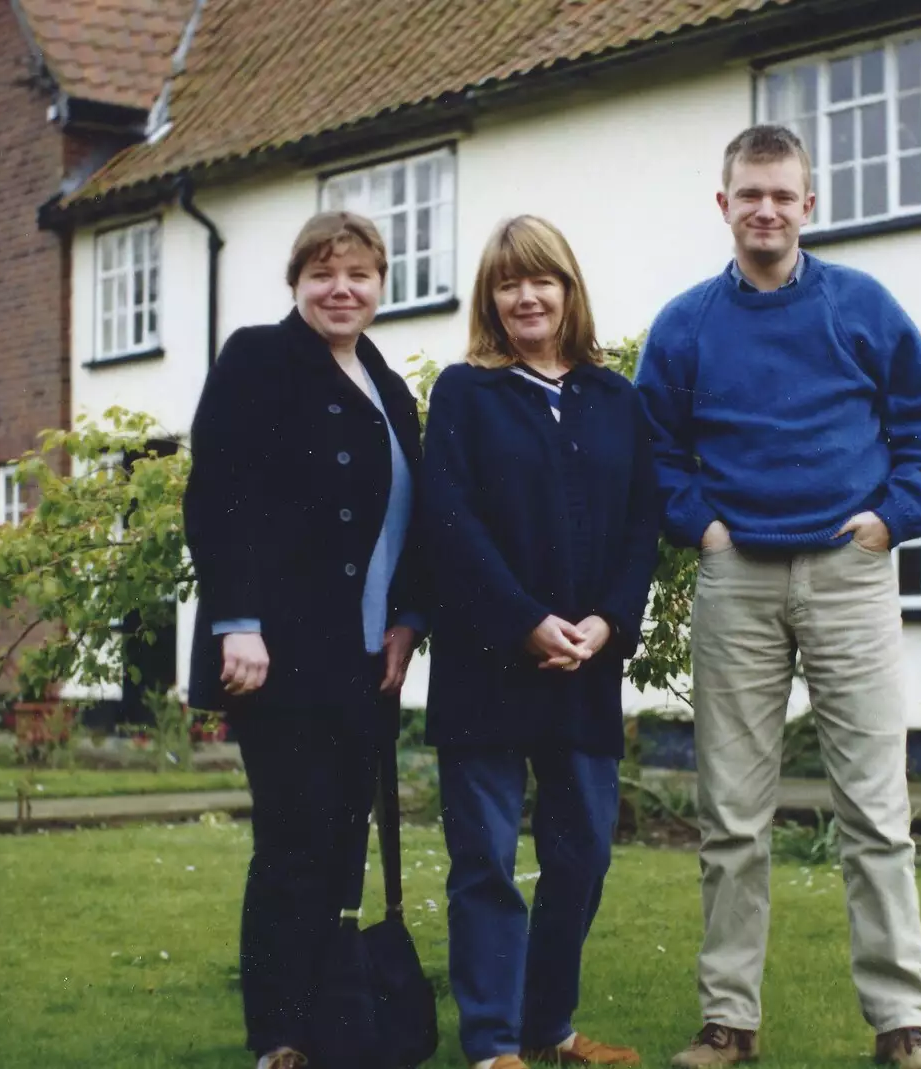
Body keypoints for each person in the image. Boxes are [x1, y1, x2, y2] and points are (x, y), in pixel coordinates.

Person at [634, 125, 921, 1069]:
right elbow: (654, 450)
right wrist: (702, 525)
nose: (766, 209)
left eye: (783, 194)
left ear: (810, 204)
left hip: (849, 571)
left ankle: (903, 1023)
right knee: (732, 813)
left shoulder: (861, 307)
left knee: (876, 809)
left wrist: (891, 520)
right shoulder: (687, 323)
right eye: (750, 194)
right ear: (724, 204)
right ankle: (728, 1021)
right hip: (737, 575)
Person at [183, 211, 429, 1069]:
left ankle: (330, 1021)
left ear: (380, 286)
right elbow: (219, 495)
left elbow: (412, 520)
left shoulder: (386, 382)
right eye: (324, 273)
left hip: (364, 660)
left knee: (339, 844)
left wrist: (407, 621)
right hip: (278, 653)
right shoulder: (259, 357)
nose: (342, 289)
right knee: (292, 842)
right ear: (297, 281)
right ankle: (278, 1035)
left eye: (359, 274)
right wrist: (236, 622)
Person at [421, 215, 659, 1069]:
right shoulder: (463, 393)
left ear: (569, 289)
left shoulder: (615, 399)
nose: (527, 296)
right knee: (484, 858)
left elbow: (642, 522)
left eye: (542, 279)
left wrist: (610, 621)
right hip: (487, 667)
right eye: (509, 282)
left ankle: (548, 1028)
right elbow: (448, 522)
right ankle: (492, 1045)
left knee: (584, 854)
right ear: (492, 298)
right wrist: (524, 620)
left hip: (584, 670)